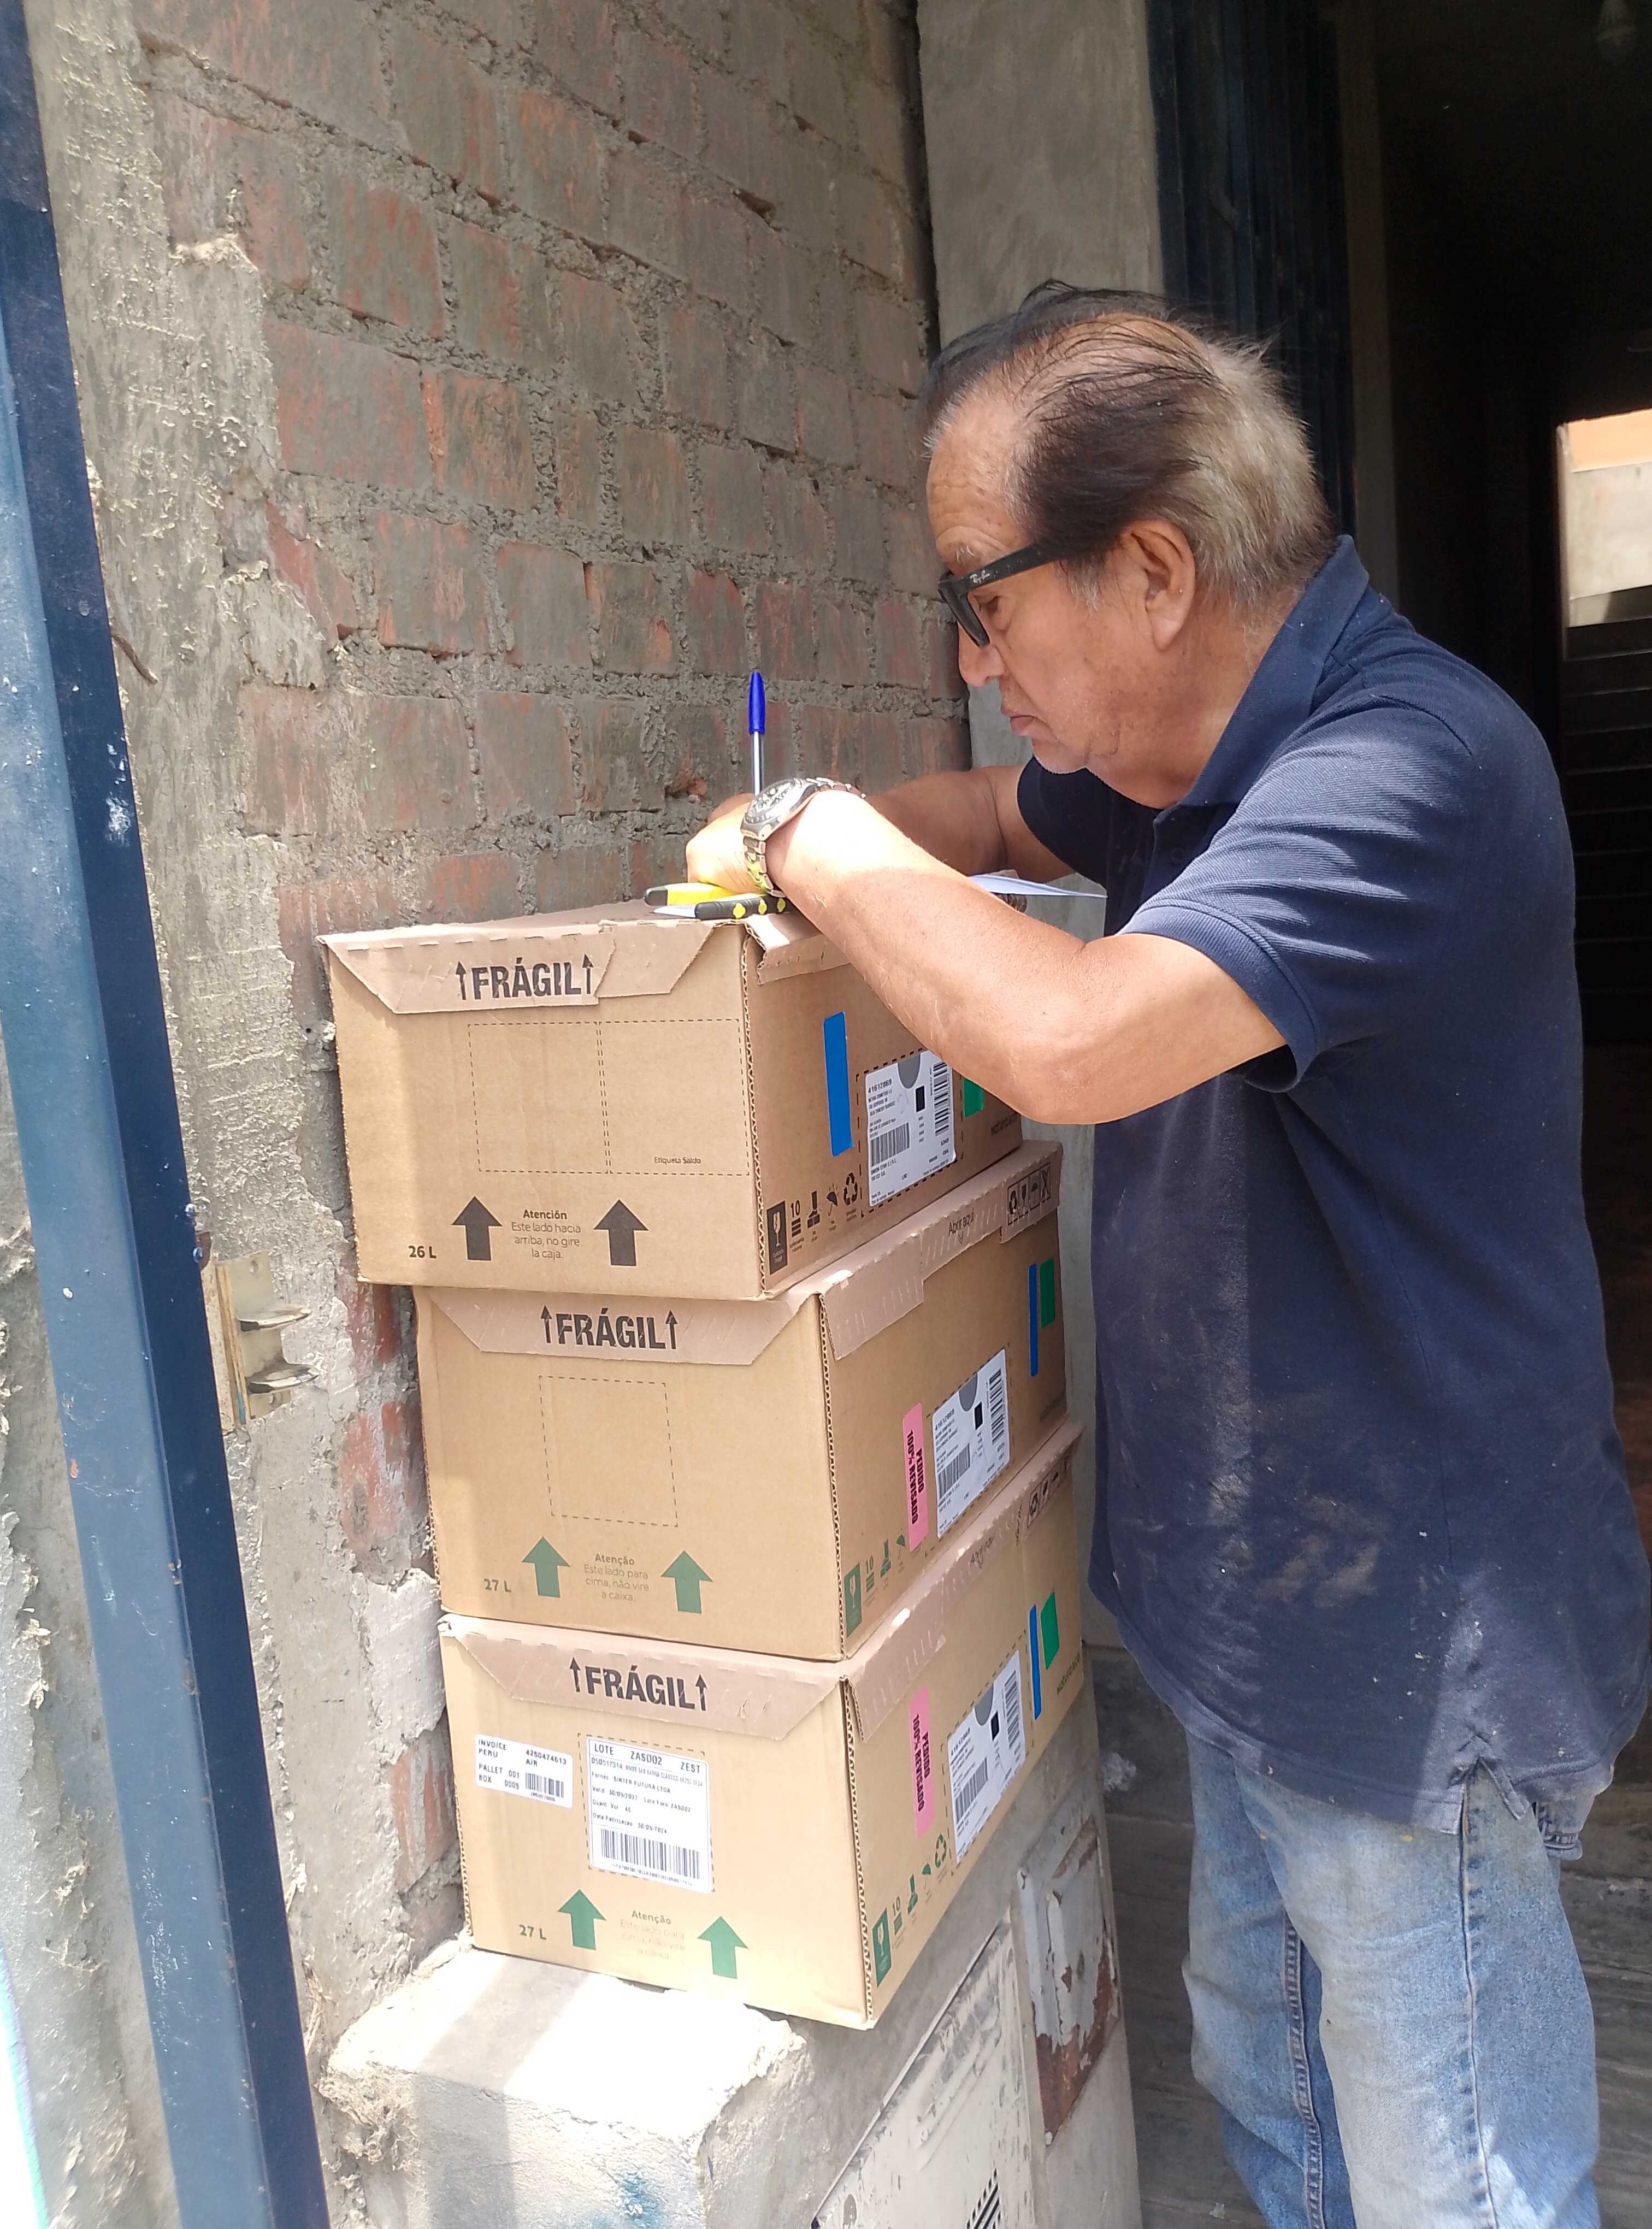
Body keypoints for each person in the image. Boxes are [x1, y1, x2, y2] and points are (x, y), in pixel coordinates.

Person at [689, 285, 1651, 2229]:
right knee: (1278, 2106)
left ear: (1149, 570)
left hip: (1411, 1644)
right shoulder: (1166, 773)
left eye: (984, 602)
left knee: (1454, 2181)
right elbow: (982, 817)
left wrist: (803, 833)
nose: (975, 666)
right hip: (1253, 1610)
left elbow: (1069, 1041)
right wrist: (792, 868)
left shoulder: (1411, 767)